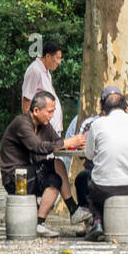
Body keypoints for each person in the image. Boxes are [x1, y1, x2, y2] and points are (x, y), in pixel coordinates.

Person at [0, 91, 85, 236]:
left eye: (53, 112)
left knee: (55, 179)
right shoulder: (22, 123)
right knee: (53, 165)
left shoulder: (44, 125)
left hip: (31, 173)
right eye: (49, 112)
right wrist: (68, 142)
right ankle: (73, 209)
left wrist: (75, 145)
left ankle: (40, 223)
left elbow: (57, 142)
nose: (51, 116)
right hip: (15, 178)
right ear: (36, 110)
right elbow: (37, 147)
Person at [21, 41, 81, 217]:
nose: (59, 62)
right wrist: (32, 131)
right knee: (50, 172)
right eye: (57, 58)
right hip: (41, 134)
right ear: (47, 56)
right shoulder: (35, 71)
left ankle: (72, 208)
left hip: (50, 132)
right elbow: (26, 102)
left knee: (58, 165)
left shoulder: (45, 72)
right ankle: (44, 215)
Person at [84, 88, 128, 242]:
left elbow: (88, 155)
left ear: (103, 109)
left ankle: (98, 222)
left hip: (103, 187)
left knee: (90, 181)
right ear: (126, 107)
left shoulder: (97, 124)